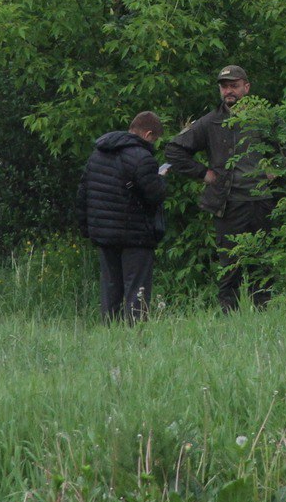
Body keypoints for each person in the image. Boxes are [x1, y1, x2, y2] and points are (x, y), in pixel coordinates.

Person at [166, 64, 274, 311]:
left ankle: (265, 317)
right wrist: (204, 173)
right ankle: (230, 321)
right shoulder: (210, 122)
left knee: (264, 266)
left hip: (262, 202)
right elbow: (174, 149)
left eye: (234, 86)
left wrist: (277, 168)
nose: (229, 91)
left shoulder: (265, 118)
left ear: (246, 87)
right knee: (230, 268)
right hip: (228, 204)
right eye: (224, 87)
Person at [75, 111, 168, 322]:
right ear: (148, 133)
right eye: (154, 139)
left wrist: (87, 229)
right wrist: (161, 179)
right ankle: (136, 335)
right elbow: (154, 195)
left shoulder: (98, 153)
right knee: (137, 290)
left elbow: (83, 193)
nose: (154, 143)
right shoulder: (142, 157)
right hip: (135, 235)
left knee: (111, 287)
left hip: (104, 233)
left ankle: (111, 334)